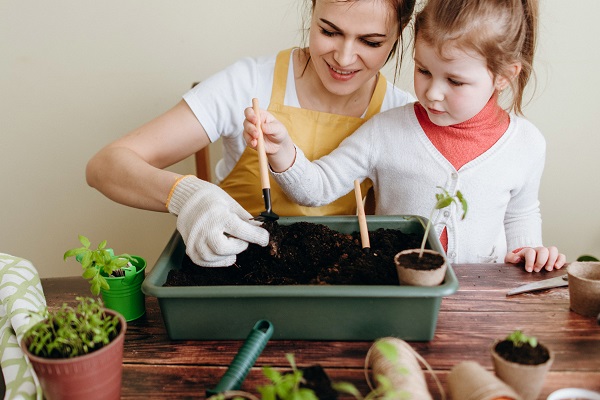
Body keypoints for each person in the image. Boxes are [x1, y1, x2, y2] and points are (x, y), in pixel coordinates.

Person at [86, 0, 417, 267]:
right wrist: (190, 195)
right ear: (312, 9)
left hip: (337, 283)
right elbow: (105, 166)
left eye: (370, 41)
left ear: (400, 31)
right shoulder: (247, 83)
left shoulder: (401, 114)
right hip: (237, 270)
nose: (344, 58)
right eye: (329, 32)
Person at [244, 0, 566, 272]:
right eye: (423, 71)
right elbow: (318, 187)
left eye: (455, 81)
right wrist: (282, 150)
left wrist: (529, 252)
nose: (433, 93)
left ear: (504, 77)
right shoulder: (385, 131)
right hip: (398, 290)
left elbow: (521, 213)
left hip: (480, 302)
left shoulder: (527, 143)